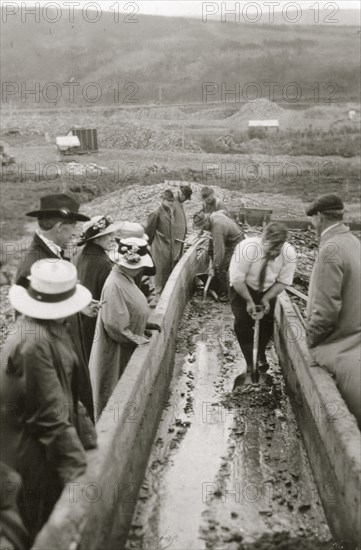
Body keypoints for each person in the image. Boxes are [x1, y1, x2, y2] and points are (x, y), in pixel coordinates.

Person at [0, 260, 95, 542]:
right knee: (39, 522)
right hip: (26, 453)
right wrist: (80, 474)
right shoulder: (35, 343)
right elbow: (51, 417)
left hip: (37, 442)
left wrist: (89, 437)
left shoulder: (49, 328)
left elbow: (66, 392)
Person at [15, 194, 98, 421]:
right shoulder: (34, 264)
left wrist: (78, 308)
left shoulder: (53, 255)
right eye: (72, 230)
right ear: (60, 227)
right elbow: (30, 330)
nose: (74, 236)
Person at [305, 194, 361, 427]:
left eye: (312, 221)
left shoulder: (330, 248)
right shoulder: (354, 242)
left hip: (339, 353)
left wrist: (310, 341)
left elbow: (326, 313)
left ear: (318, 217)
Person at [89, 238, 160, 419]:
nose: (141, 270)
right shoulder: (115, 284)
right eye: (139, 265)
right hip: (118, 350)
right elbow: (115, 326)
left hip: (128, 345)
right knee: (115, 389)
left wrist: (143, 325)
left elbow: (131, 309)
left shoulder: (126, 278)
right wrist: (139, 340)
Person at [229, 222, 297, 373]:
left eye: (277, 248)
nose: (273, 252)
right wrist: (249, 301)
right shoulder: (247, 248)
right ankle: (249, 362)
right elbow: (237, 280)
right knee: (242, 324)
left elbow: (283, 281)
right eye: (270, 247)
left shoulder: (288, 253)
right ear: (263, 239)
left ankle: (260, 355)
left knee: (266, 324)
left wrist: (266, 299)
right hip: (243, 288)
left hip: (268, 289)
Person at [76, 215, 145, 360]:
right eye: (108, 235)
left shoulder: (80, 256)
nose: (112, 238)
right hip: (98, 325)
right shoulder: (105, 265)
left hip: (81, 323)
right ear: (96, 239)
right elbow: (114, 305)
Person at [193, 210, 244, 301]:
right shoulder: (214, 215)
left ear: (207, 221)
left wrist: (213, 267)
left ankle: (226, 293)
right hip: (229, 235)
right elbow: (224, 212)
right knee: (212, 254)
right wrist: (210, 253)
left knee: (221, 267)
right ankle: (218, 280)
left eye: (203, 226)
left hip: (236, 242)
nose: (203, 229)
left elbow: (220, 252)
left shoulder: (217, 230)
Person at [144, 189, 178, 295]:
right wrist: (148, 246)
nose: (171, 203)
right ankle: (157, 294)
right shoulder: (156, 213)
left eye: (172, 201)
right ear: (163, 200)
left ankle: (165, 292)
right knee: (159, 272)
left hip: (170, 246)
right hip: (159, 247)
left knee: (168, 270)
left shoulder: (170, 211)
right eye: (169, 201)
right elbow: (149, 231)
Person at [173, 184, 193, 261]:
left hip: (179, 239)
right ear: (181, 194)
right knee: (173, 258)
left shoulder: (179, 203)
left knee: (178, 257)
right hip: (175, 239)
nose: (186, 200)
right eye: (186, 198)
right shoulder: (173, 203)